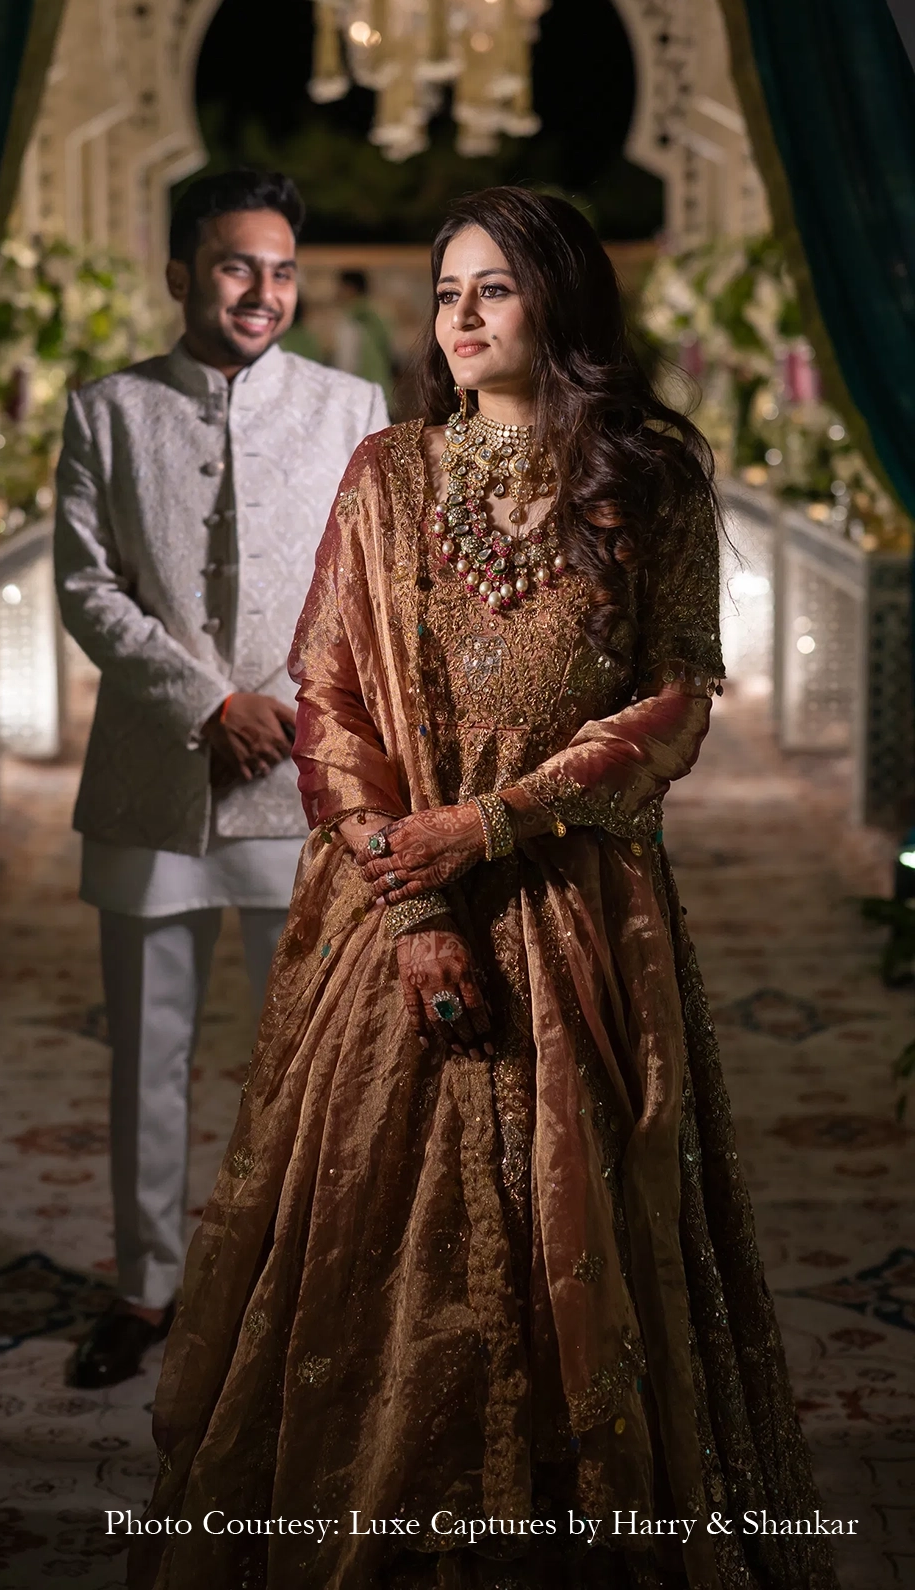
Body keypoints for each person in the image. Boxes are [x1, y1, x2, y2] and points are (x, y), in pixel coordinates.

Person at [129, 189, 839, 1590]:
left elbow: (680, 699)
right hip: (398, 916)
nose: (458, 313)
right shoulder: (385, 477)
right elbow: (327, 699)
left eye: (494, 288)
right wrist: (414, 896)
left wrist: (502, 818)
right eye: (448, 289)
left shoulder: (648, 481)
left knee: (580, 1228)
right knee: (370, 1236)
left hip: (582, 905)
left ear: (560, 304)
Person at [53, 168, 388, 1391]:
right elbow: (87, 588)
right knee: (147, 1049)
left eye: (282, 269)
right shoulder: (106, 411)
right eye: (238, 266)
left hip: (301, 780)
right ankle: (144, 1290)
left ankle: (291, 1285)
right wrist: (208, 703)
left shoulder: (351, 406)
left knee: (303, 1052)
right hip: (155, 774)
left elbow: (367, 584)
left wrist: (290, 711)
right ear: (182, 274)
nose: (263, 291)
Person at [333, 265, 397, 411]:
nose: (337, 293)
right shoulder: (378, 315)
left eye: (340, 287)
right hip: (383, 394)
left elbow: (347, 361)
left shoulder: (352, 319)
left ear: (350, 289)